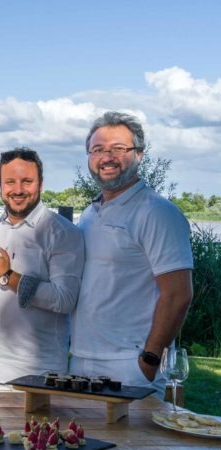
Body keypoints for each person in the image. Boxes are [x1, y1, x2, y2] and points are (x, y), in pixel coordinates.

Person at [69, 112, 193, 391]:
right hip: (81, 360)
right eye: (98, 149)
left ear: (139, 155)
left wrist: (149, 359)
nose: (107, 157)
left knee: (129, 437)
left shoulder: (157, 213)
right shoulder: (90, 212)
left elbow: (178, 294)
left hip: (130, 365)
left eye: (118, 149)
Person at [0, 148, 84, 390]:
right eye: (10, 182)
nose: (18, 190)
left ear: (40, 184)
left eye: (27, 181)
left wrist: (8, 277)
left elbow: (65, 299)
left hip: (33, 373)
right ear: (0, 185)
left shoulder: (61, 232)